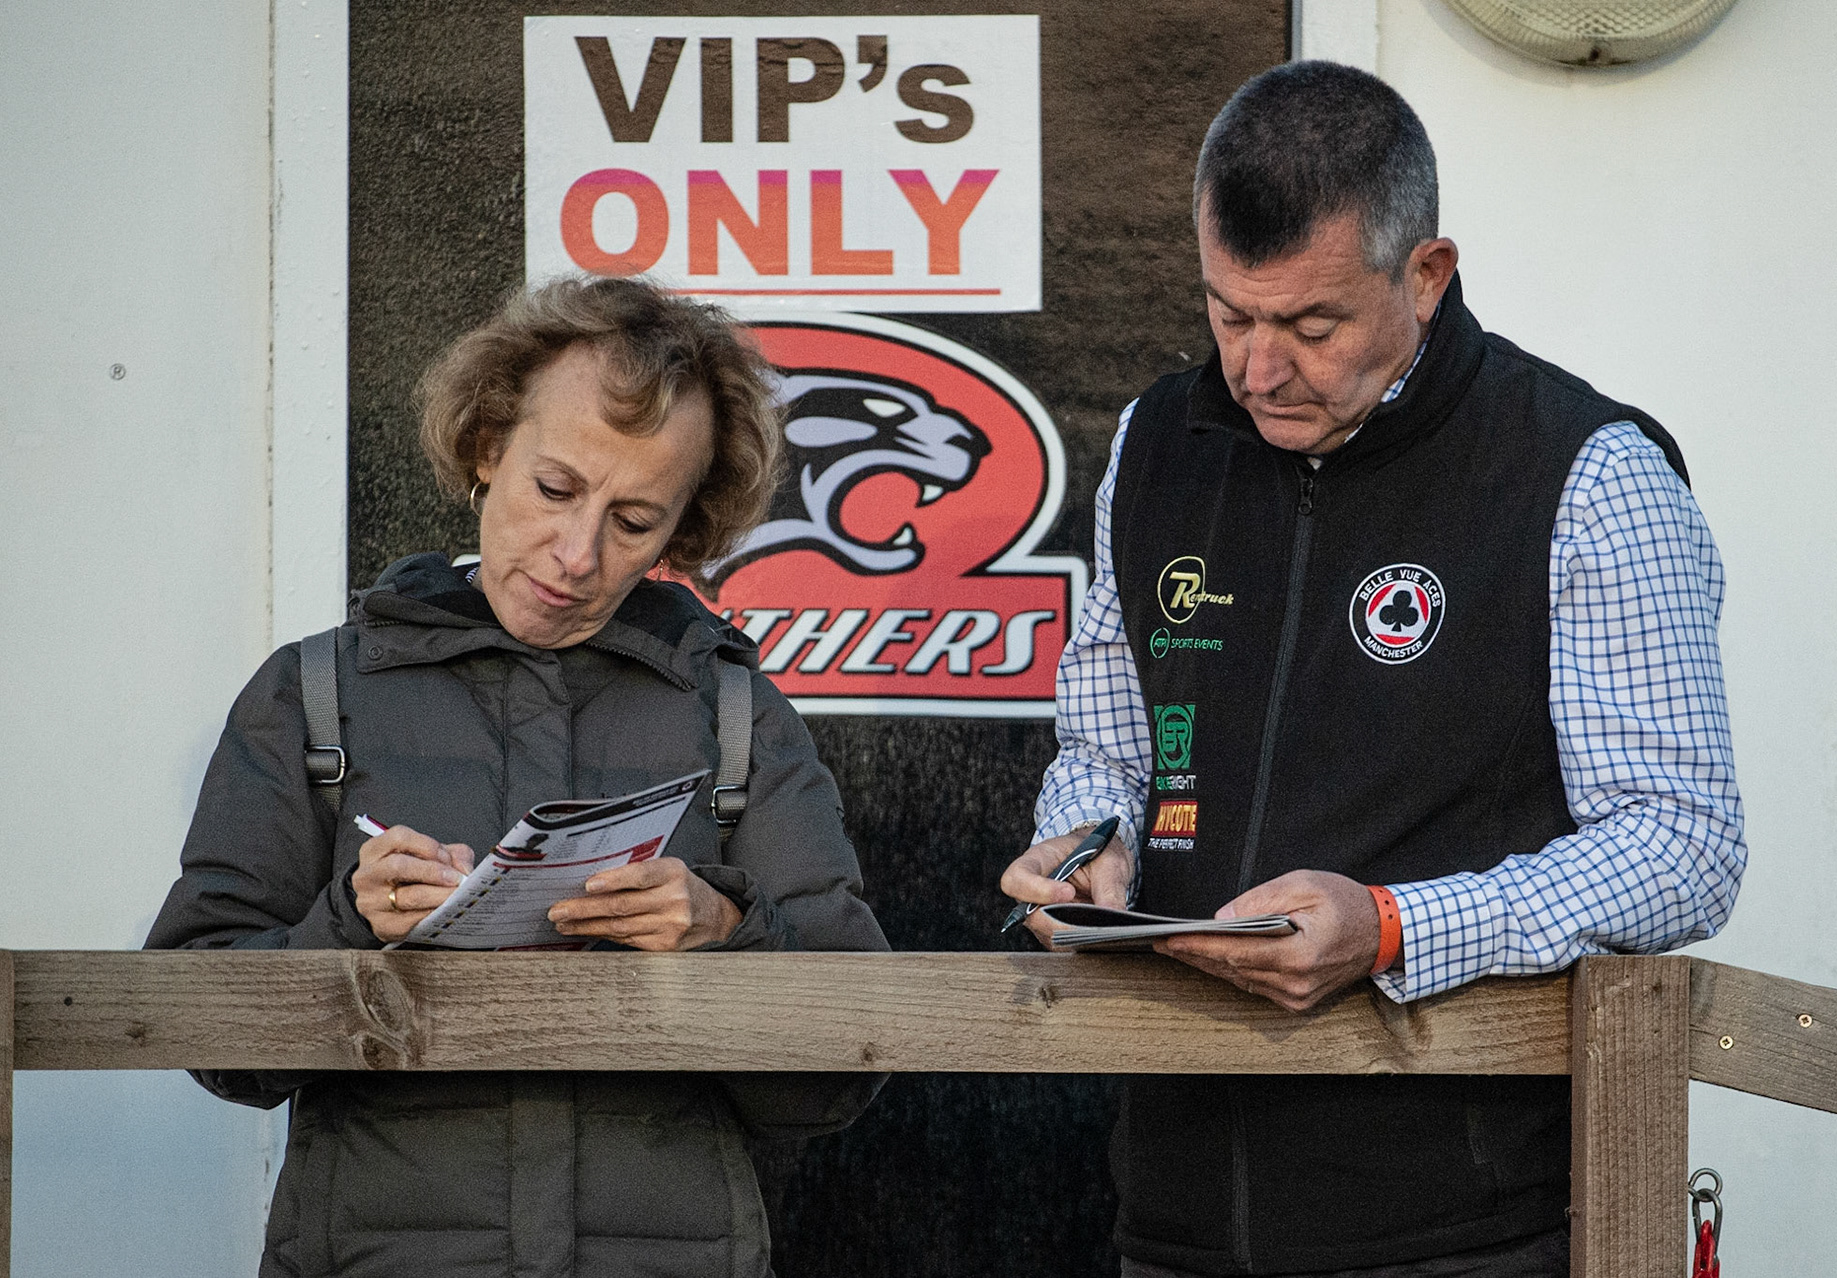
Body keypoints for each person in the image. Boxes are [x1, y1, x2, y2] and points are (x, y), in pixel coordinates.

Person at [999, 62, 1745, 1277]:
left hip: (1468, 1235)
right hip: (1173, 1218)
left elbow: (1681, 843)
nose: (1258, 368)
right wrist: (1088, 850)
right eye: (1229, 314)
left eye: (1311, 325)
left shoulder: (1588, 474)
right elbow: (1108, 747)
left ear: (1428, 274)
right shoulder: (1156, 441)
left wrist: (1396, 928)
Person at [147, 276, 889, 1278]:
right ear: (488, 447)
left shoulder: (738, 717)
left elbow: (843, 1078)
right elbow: (208, 1037)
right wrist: (350, 924)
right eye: (555, 489)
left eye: (634, 521)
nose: (577, 555)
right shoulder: (313, 695)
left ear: (684, 529)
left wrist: (726, 934)